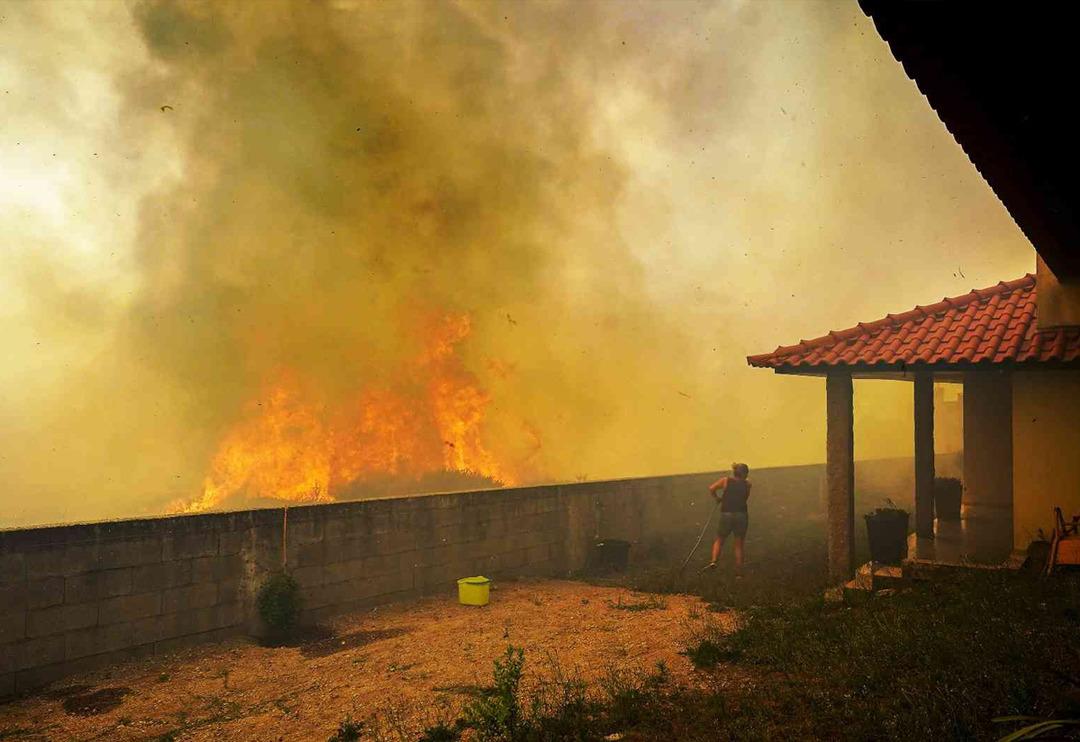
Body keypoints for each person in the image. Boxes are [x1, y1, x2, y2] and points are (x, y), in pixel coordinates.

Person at [706, 462, 751, 572]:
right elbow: (745, 498)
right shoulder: (748, 484)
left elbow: (711, 488)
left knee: (720, 539)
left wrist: (717, 498)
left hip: (726, 514)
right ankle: (739, 569)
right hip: (741, 515)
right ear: (745, 473)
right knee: (738, 543)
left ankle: (713, 561)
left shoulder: (725, 481)